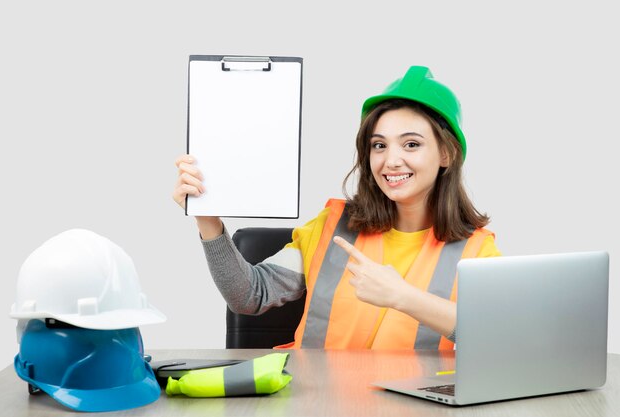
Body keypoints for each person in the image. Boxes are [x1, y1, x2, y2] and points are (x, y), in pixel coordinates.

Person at [172, 66, 501, 349]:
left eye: (411, 144)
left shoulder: (476, 251)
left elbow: (498, 339)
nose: (391, 160)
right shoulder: (334, 226)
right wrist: (207, 216)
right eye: (379, 145)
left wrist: (403, 296)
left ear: (446, 154)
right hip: (318, 400)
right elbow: (250, 295)